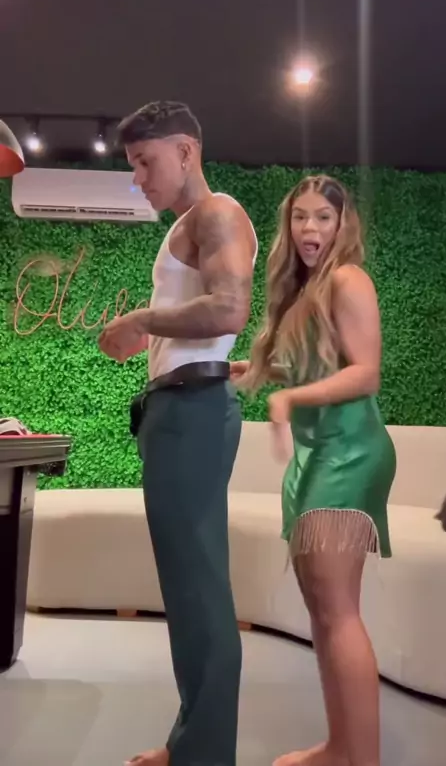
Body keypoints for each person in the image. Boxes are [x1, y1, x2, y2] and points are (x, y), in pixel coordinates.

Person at [99, 101, 257, 766]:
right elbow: (210, 319)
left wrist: (141, 320)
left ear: (185, 151)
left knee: (198, 591)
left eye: (145, 162)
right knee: (189, 591)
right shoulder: (193, 225)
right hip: (182, 409)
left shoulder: (215, 213)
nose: (138, 178)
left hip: (191, 413)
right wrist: (154, 335)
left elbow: (230, 307)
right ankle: (191, 743)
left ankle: (204, 755)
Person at [231, 175, 396, 766]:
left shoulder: (349, 279)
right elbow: (314, 369)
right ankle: (340, 746)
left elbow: (365, 373)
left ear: (342, 224)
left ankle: (362, 758)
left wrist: (289, 399)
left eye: (323, 217)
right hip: (314, 455)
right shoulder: (305, 289)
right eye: (300, 216)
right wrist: (257, 372)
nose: (309, 228)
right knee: (323, 610)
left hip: (349, 452)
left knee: (338, 610)